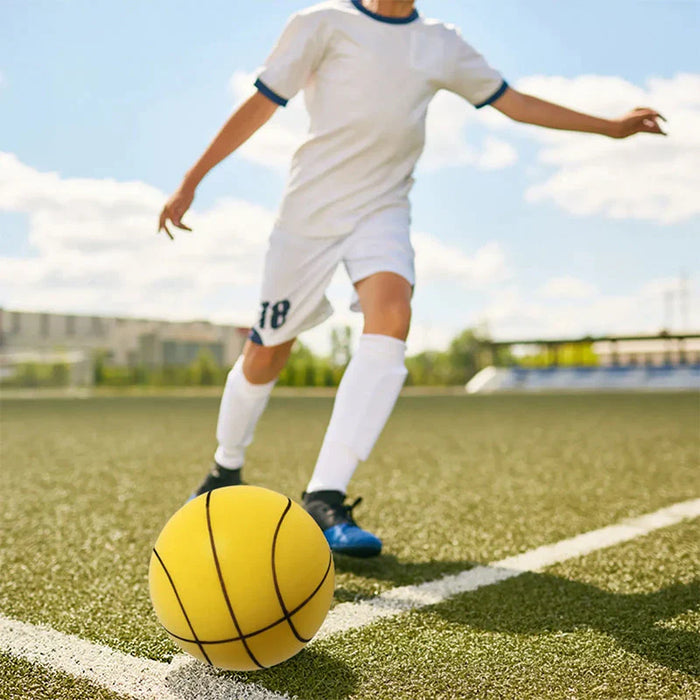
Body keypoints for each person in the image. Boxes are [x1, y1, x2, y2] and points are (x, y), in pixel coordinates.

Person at [158, 0, 665, 558]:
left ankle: (325, 495)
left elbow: (513, 102)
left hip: (382, 209)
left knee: (393, 315)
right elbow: (261, 104)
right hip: (308, 217)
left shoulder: (441, 43)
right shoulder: (321, 23)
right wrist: (191, 180)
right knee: (267, 353)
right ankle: (225, 467)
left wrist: (610, 128)